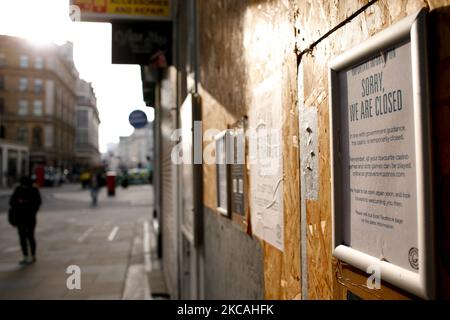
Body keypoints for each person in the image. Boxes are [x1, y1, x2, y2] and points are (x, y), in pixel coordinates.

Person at [9, 176, 42, 265]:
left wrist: (22, 203)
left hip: (25, 217)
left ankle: (28, 255)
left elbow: (12, 202)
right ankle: (29, 255)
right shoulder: (31, 190)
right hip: (26, 217)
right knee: (27, 237)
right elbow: (38, 203)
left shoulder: (20, 189)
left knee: (27, 237)